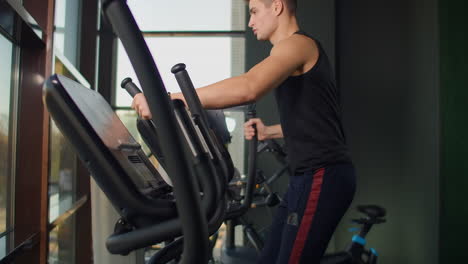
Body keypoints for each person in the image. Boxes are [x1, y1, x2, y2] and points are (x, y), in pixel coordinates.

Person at [132, 0, 356, 263]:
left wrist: (166, 100)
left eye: (254, 11)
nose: (250, 21)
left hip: (322, 173)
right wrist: (269, 131)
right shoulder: (292, 53)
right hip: (307, 176)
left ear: (277, 6)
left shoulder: (298, 44)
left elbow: (249, 87)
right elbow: (318, 122)